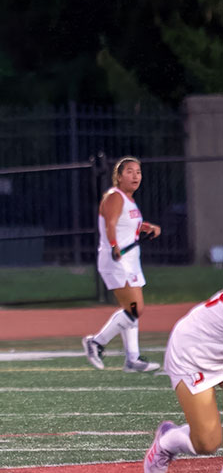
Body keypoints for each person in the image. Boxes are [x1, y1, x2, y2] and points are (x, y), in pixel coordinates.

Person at [143, 289, 223, 473]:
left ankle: (168, 440)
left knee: (208, 442)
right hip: (193, 352)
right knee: (206, 444)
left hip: (216, 348)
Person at [82, 156, 161, 372]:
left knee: (132, 309)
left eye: (138, 172)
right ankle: (96, 342)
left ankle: (132, 359)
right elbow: (111, 223)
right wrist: (114, 244)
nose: (135, 176)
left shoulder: (129, 200)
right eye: (129, 171)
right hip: (116, 260)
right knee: (135, 309)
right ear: (118, 176)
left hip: (130, 260)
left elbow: (128, 223)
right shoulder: (114, 197)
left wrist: (146, 227)